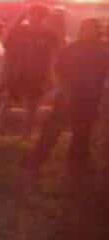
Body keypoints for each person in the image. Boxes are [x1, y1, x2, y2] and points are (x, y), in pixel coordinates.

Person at [25, 18, 109, 180]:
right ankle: (34, 164)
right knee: (51, 132)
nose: (95, 32)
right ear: (83, 30)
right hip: (67, 97)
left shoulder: (103, 50)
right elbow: (57, 70)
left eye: (97, 29)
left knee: (82, 135)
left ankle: (75, 170)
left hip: (90, 99)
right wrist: (64, 90)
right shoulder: (72, 48)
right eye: (91, 29)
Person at [0, 4, 62, 136]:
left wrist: (50, 76)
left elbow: (55, 54)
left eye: (38, 15)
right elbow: (5, 43)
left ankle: (25, 136)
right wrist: (19, 17)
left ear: (44, 17)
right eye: (31, 14)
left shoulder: (49, 34)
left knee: (31, 107)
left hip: (36, 76)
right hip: (16, 74)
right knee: (6, 104)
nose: (34, 18)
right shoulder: (19, 31)